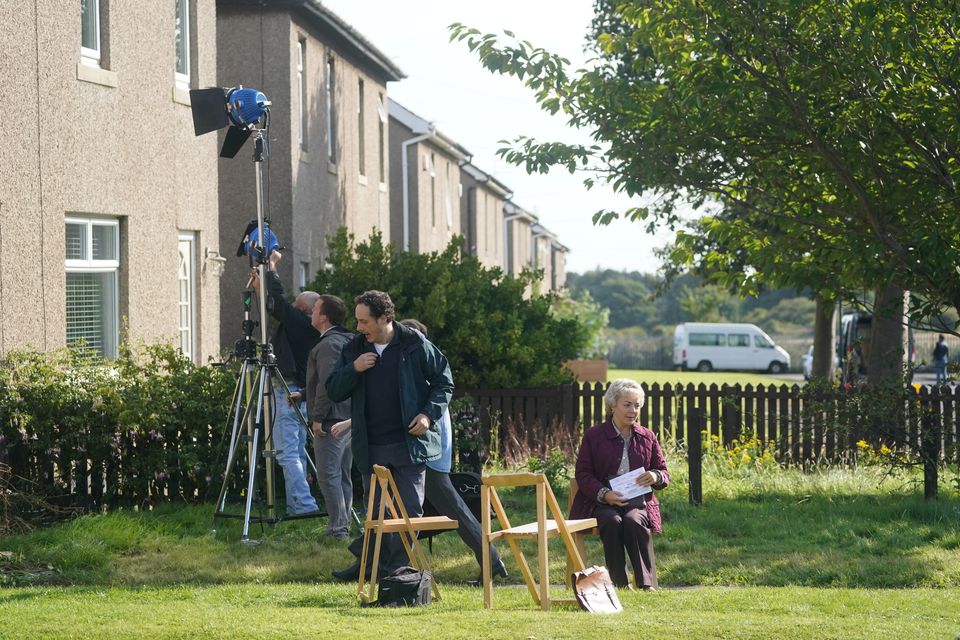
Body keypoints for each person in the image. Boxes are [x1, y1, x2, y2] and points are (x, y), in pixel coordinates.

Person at [326, 291, 454, 578]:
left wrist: (427, 414)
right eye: (357, 321)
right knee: (377, 516)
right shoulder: (354, 348)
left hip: (409, 444)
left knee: (410, 511)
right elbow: (334, 388)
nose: (358, 328)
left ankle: (393, 568)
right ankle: (371, 567)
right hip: (371, 446)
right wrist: (354, 369)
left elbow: (444, 382)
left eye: (364, 321)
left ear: (385, 318)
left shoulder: (415, 343)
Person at [570, 378, 668, 590]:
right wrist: (605, 494)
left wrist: (655, 476)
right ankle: (620, 583)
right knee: (612, 522)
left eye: (637, 405)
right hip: (604, 502)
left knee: (634, 521)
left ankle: (645, 584)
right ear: (612, 404)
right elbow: (583, 474)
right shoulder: (594, 436)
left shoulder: (647, 436)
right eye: (627, 405)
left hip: (638, 502)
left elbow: (662, 471)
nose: (633, 410)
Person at [250, 250, 320, 516]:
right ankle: (296, 505)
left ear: (307, 311)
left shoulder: (303, 324)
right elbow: (275, 305)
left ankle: (304, 505)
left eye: (298, 306)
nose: (293, 309)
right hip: (298, 392)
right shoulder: (306, 327)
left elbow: (279, 304)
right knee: (297, 451)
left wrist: (271, 268)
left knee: (288, 453)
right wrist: (262, 287)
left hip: (288, 391)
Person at [305, 294, 353, 540]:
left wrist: (318, 417)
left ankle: (338, 529)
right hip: (348, 418)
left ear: (324, 317)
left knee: (328, 475)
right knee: (342, 474)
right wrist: (304, 394)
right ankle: (342, 525)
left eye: (314, 309)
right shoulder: (348, 340)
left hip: (332, 420)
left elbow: (328, 384)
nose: (310, 313)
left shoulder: (328, 345)